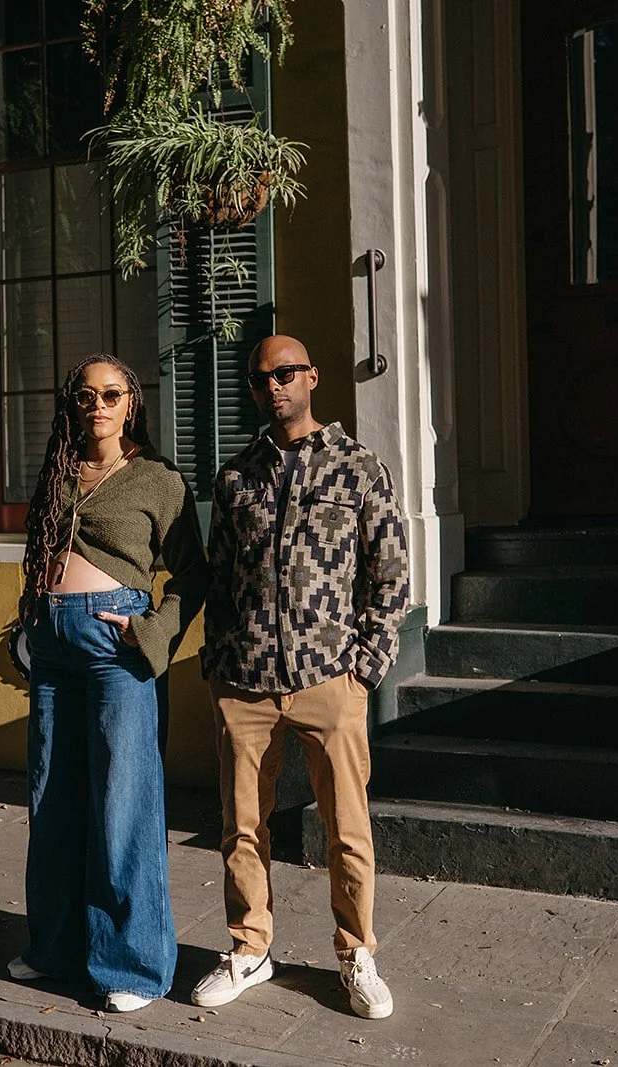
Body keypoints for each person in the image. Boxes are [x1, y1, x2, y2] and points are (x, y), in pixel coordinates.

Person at [195, 334, 411, 1019]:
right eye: (261, 380)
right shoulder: (236, 476)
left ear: (313, 376)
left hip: (329, 678)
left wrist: (366, 666)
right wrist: (217, 666)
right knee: (242, 825)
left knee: (347, 827)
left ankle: (356, 954)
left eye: (286, 373)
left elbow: (390, 574)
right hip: (246, 681)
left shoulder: (359, 468)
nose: (274, 386)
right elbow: (218, 578)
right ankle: (249, 946)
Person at [9, 353, 208, 1013]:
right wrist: (29, 622)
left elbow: (193, 575)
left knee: (123, 801)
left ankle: (132, 964)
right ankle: (56, 945)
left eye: (111, 394)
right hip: (53, 646)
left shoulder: (157, 479)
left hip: (114, 646)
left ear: (132, 403)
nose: (96, 405)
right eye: (86, 395)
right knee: (52, 797)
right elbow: (40, 552)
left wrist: (152, 633)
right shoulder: (60, 471)